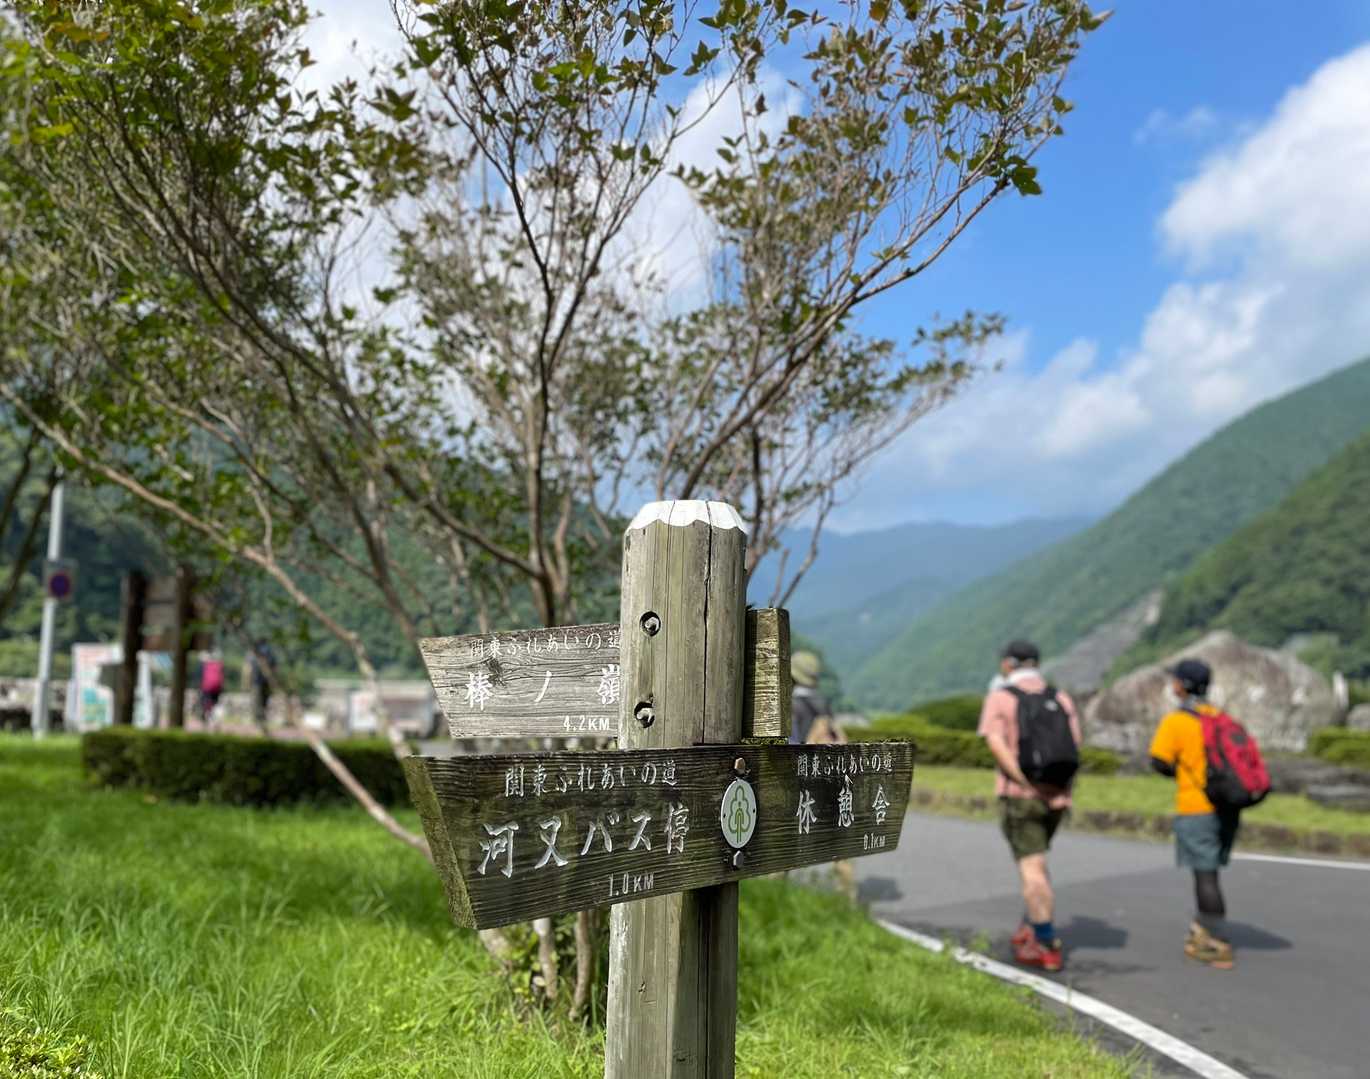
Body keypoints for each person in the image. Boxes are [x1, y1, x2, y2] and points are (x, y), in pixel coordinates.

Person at [977, 639, 1082, 971]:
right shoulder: (1060, 697)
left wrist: (1022, 781)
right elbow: (1075, 746)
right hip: (1058, 797)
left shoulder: (1001, 697)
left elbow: (996, 743)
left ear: (1008, 664)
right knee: (1037, 860)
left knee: (1031, 866)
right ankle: (1031, 924)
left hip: (1021, 798)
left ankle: (1045, 943)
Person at [1149, 658, 1238, 970]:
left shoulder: (1177, 721)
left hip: (1196, 807)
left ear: (1183, 686)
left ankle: (1216, 941)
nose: (1172, 684)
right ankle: (1204, 929)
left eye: (1175, 680)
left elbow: (1158, 760)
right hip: (1228, 807)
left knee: (1205, 876)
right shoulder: (1221, 718)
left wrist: (1182, 772)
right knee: (1211, 871)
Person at [790, 650, 854, 898]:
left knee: (785, 841)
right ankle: (847, 900)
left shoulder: (792, 705)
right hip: (832, 779)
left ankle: (776, 895)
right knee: (840, 844)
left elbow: (791, 746)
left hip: (803, 780)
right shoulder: (824, 704)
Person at [249, 640, 276, 731]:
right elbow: (275, 669)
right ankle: (263, 720)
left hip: (256, 681)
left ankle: (258, 721)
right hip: (266, 682)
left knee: (256, 702)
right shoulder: (270, 654)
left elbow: (249, 668)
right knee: (264, 701)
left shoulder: (254, 654)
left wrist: (246, 682)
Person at [198, 651, 225, 727]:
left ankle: (207, 718)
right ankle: (216, 720)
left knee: (206, 703)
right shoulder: (219, 664)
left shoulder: (205, 665)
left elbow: (200, 677)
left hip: (206, 687)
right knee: (215, 703)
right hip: (217, 688)